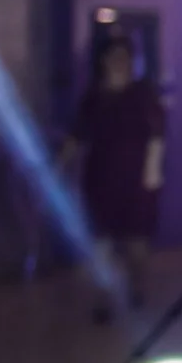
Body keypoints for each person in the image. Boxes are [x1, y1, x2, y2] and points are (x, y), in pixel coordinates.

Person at [66, 35, 164, 317]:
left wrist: (152, 171)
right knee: (102, 243)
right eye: (116, 57)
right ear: (104, 61)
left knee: (136, 241)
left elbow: (157, 135)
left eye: (126, 58)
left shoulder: (142, 94)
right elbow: (77, 135)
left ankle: (135, 289)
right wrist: (59, 163)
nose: (121, 63)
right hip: (101, 179)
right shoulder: (94, 97)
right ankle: (106, 301)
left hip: (136, 180)